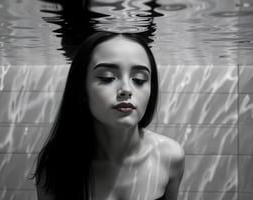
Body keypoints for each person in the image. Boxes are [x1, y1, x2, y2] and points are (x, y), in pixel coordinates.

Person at [33, 31, 185, 200]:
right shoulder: (55, 164)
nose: (126, 89)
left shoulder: (170, 156)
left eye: (139, 79)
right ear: (81, 88)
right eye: (107, 78)